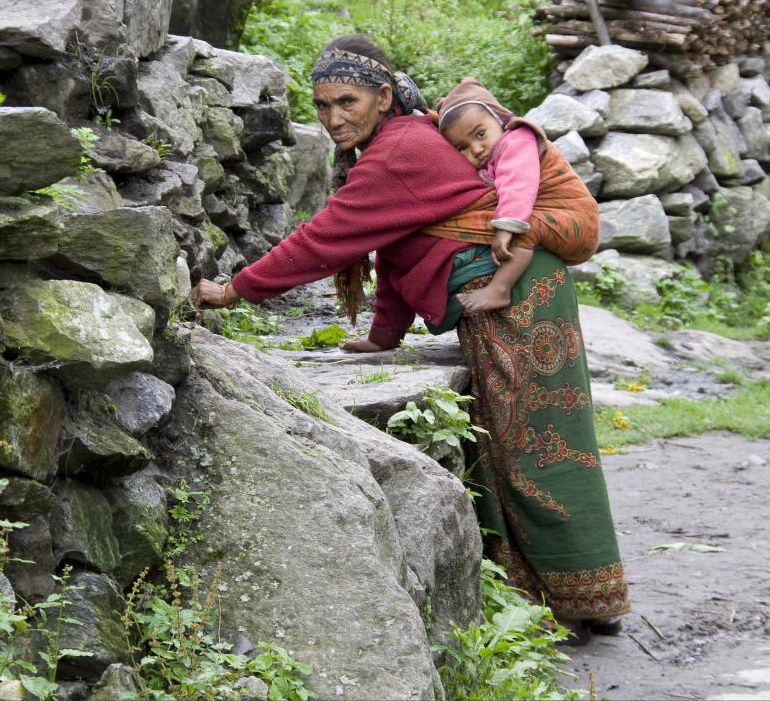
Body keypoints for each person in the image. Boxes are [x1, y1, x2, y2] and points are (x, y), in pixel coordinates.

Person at [191, 35, 629, 642]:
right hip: (520, 291)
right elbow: (398, 247)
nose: (333, 117)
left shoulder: (399, 151)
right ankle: (563, 599)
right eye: (320, 105)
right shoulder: (398, 143)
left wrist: (233, 291)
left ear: (384, 97)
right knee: (517, 442)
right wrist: (383, 335)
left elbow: (327, 239)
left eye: (347, 101)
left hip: (517, 298)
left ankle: (582, 599)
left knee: (537, 446)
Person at [432, 76, 600, 314]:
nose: (476, 149)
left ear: (500, 120)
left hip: (579, 221)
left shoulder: (517, 141)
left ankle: (500, 289)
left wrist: (506, 227)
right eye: (462, 147)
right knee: (524, 225)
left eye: (480, 134)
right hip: (560, 220)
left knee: (524, 228)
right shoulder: (491, 156)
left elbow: (517, 185)